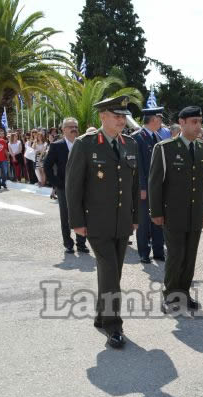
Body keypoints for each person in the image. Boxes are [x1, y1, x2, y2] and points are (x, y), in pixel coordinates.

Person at [65, 95, 139, 349]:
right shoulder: (85, 144)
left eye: (123, 116)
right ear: (102, 116)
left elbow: (134, 185)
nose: (121, 120)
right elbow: (73, 186)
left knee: (113, 273)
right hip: (96, 222)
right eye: (116, 116)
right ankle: (113, 325)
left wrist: (136, 217)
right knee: (110, 273)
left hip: (122, 222)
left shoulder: (129, 144)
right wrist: (76, 221)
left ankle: (100, 316)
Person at [149, 106, 203, 314]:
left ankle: (184, 292)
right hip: (173, 212)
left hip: (195, 212)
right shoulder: (165, 148)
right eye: (193, 121)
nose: (198, 126)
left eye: (200, 121)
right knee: (176, 255)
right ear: (182, 122)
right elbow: (155, 183)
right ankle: (170, 294)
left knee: (190, 255)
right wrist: (156, 212)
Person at [44, 117, 89, 254]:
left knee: (82, 214)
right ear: (63, 130)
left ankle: (81, 243)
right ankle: (68, 243)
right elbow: (47, 166)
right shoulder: (57, 146)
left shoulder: (83, 144)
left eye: (75, 126)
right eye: (70, 126)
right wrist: (57, 184)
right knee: (66, 215)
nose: (74, 128)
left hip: (82, 187)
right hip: (64, 188)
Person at [132, 107, 166, 264]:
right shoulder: (138, 137)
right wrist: (141, 187)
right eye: (159, 118)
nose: (161, 121)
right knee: (144, 221)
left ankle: (159, 251)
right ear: (154, 120)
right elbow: (137, 165)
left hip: (159, 188)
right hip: (145, 188)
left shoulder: (158, 136)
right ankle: (144, 253)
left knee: (158, 219)